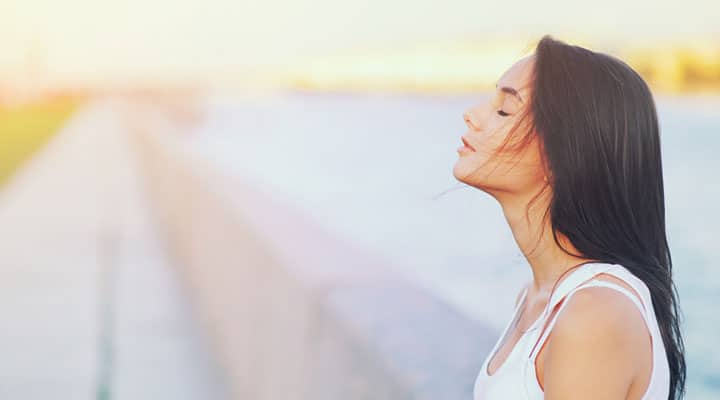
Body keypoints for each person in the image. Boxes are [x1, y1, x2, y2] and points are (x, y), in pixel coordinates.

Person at [454, 35, 686, 399]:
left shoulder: (594, 312)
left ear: (564, 153)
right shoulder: (536, 299)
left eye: (504, 110)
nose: (472, 114)